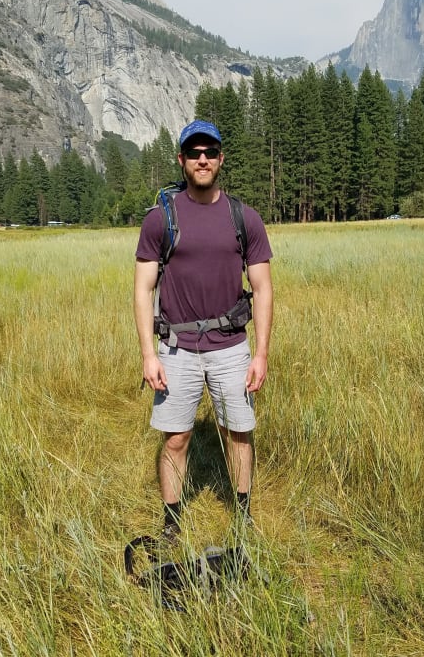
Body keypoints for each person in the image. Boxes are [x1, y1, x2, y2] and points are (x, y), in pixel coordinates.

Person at [134, 119, 273, 541]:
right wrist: (148, 354)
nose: (202, 159)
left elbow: (263, 288)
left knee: (239, 432)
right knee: (176, 439)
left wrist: (261, 353)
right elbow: (143, 289)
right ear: (181, 160)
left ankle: (243, 516)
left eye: (209, 152)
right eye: (193, 152)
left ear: (220, 159)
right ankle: (172, 523)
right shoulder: (161, 219)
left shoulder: (244, 218)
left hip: (232, 347)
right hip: (175, 349)